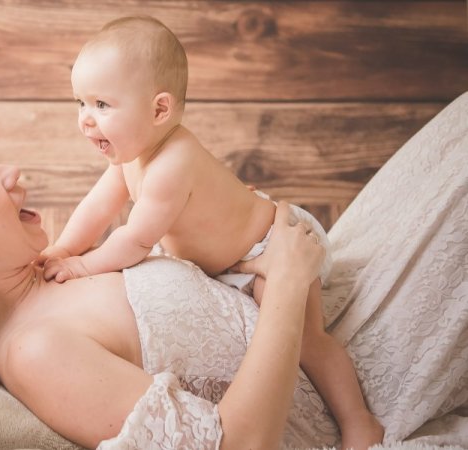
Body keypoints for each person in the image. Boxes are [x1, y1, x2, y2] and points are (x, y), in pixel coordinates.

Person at [0, 128, 468, 449]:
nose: (13, 174)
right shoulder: (37, 354)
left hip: (334, 318)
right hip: (364, 379)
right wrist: (290, 283)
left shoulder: (49, 271)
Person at [38, 16, 382, 449]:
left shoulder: (171, 163)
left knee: (308, 340)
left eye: (102, 105)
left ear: (159, 109)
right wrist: (64, 246)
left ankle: (360, 422)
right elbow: (96, 207)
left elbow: (136, 240)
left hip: (272, 244)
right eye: (80, 103)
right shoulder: (131, 156)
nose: (86, 120)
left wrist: (81, 264)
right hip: (230, 264)